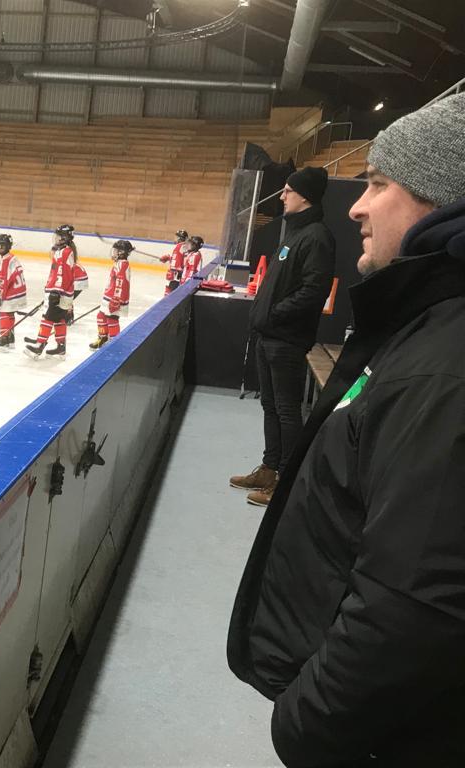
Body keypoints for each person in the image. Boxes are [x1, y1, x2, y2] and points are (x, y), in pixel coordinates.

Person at [228, 93, 465, 767]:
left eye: (379, 184)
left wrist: (304, 725)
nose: (357, 205)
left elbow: (415, 604)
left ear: (443, 201)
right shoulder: (424, 333)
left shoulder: (444, 369)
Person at [230, 166, 335, 506]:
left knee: (287, 411)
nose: (282, 196)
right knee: (271, 405)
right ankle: (269, 468)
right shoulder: (294, 234)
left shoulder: (316, 236)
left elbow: (313, 291)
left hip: (285, 339)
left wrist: (274, 315)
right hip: (269, 336)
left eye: (288, 190)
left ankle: (286, 483)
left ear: (304, 196)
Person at [25, 224, 76, 358]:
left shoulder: (65, 252)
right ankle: (61, 347)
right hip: (62, 292)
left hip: (59, 292)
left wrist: (56, 292)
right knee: (59, 319)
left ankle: (39, 345)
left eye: (59, 236)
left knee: (47, 318)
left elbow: (62, 273)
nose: (56, 239)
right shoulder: (64, 251)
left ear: (65, 238)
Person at [90, 239, 132, 350]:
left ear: (121, 252)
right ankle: (103, 338)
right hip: (110, 297)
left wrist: (116, 299)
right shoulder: (119, 263)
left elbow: (120, 282)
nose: (113, 253)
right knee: (101, 316)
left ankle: (114, 344)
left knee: (112, 319)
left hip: (115, 299)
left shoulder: (123, 264)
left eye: (116, 251)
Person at [0, 233, 27, 350]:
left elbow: (2, 280)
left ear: (2, 247)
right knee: (9, 313)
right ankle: (10, 339)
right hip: (19, 292)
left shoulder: (5, 261)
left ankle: (4, 338)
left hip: (12, 292)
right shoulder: (12, 258)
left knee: (4, 312)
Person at [159, 228, 188, 295]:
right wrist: (169, 258)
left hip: (177, 277)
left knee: (170, 296)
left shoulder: (179, 246)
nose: (175, 238)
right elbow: (182, 259)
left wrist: (172, 272)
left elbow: (176, 263)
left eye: (176, 237)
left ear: (180, 238)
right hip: (182, 275)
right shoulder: (185, 246)